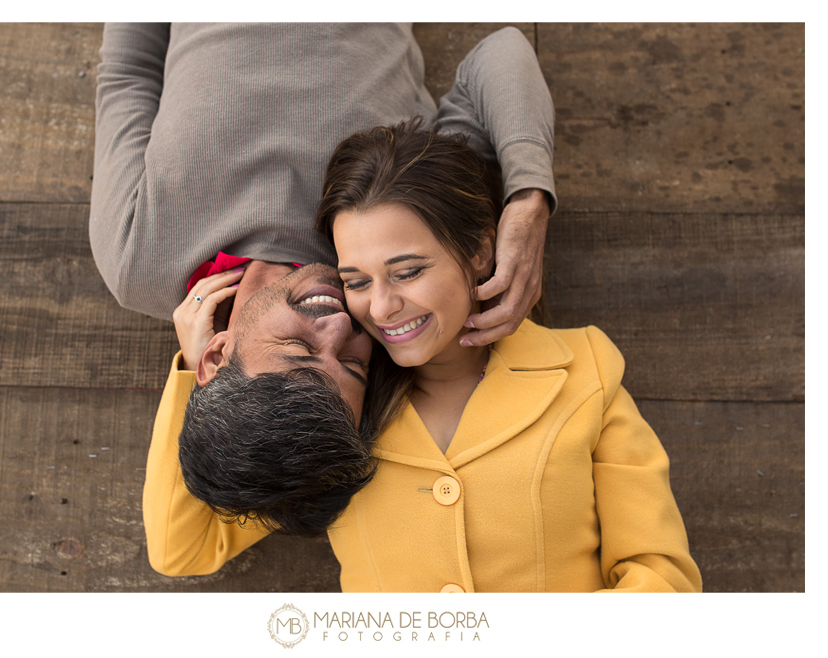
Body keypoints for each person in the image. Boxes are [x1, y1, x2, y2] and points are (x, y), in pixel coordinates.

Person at [149, 119, 703, 592]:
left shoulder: (586, 368)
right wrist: (200, 378)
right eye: (356, 280)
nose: (383, 307)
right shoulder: (332, 419)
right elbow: (182, 547)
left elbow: (660, 575)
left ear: (481, 250)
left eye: (409, 271)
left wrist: (530, 203)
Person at [88, 25, 558, 553]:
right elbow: (500, 54)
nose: (339, 326)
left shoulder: (138, 261)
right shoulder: (383, 239)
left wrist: (188, 387)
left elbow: (128, 72)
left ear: (216, 357)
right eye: (355, 365)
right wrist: (528, 198)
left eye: (300, 350)